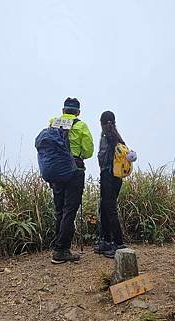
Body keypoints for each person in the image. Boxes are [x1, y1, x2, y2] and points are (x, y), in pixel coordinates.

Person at [49, 97, 94, 264]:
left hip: (57, 170)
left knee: (59, 209)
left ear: (63, 111)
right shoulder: (81, 126)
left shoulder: (53, 122)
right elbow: (88, 152)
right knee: (70, 210)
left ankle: (58, 246)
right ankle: (61, 250)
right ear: (78, 112)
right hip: (75, 170)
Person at [95, 110, 127, 258]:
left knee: (109, 209)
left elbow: (101, 158)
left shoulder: (105, 137)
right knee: (106, 207)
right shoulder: (119, 138)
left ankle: (118, 243)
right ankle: (107, 241)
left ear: (101, 123)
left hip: (107, 176)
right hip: (117, 178)